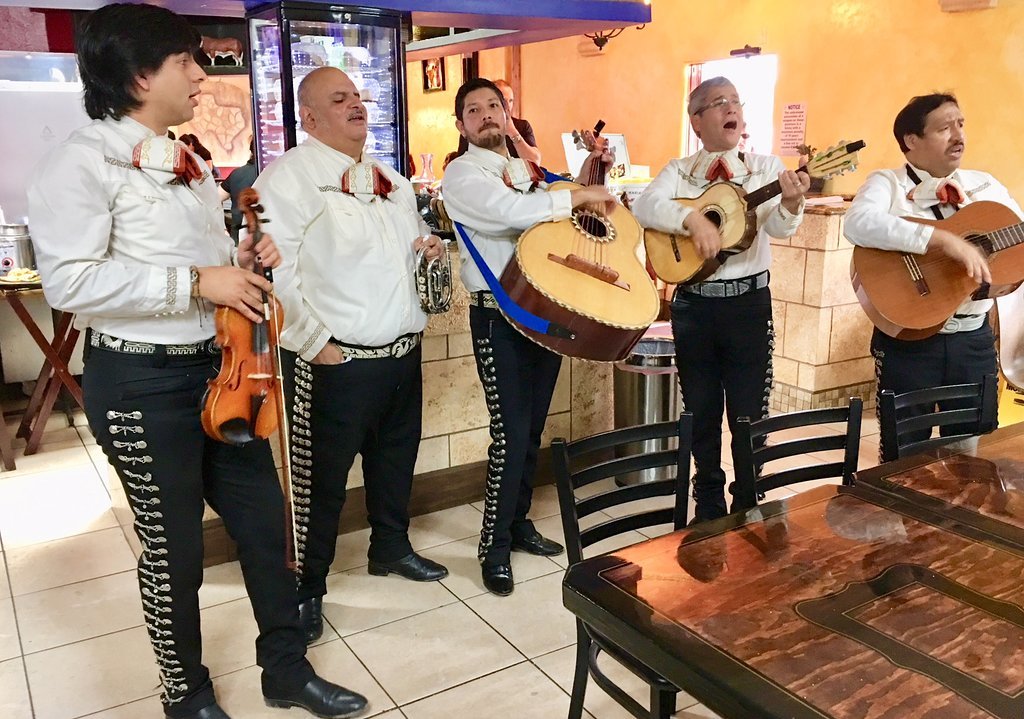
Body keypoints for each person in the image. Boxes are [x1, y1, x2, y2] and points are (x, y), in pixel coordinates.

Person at [26, 6, 368, 719]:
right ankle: (186, 692)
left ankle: (285, 669)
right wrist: (194, 282)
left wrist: (237, 261)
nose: (200, 74)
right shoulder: (79, 163)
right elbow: (70, 283)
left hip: (217, 372)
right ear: (138, 74)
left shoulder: (188, 160)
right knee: (173, 547)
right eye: (186, 60)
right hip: (139, 380)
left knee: (265, 525)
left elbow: (199, 264)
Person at [252, 66, 449, 643]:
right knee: (321, 481)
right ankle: (308, 588)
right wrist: (315, 343)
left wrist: (427, 249)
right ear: (309, 117)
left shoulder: (392, 180)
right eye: (340, 99)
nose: (356, 106)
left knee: (395, 458)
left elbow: (402, 254)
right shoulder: (287, 179)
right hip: (334, 360)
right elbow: (275, 268)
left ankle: (390, 547)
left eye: (359, 97)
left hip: (400, 351)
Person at [441, 78, 616, 596]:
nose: (486, 115)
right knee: (511, 434)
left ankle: (518, 525)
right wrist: (577, 196)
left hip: (542, 315)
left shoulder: (527, 170)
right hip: (498, 317)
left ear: (507, 113)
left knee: (533, 428)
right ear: (462, 126)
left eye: (493, 105)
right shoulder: (462, 174)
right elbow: (511, 213)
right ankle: (492, 546)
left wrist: (584, 181)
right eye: (474, 110)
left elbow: (555, 210)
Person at [632, 76, 809, 523]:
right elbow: (645, 206)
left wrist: (790, 204)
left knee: (750, 411)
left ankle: (748, 498)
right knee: (701, 407)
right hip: (694, 304)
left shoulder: (765, 167)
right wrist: (691, 217)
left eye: (735, 100)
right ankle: (707, 498)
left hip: (748, 305)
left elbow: (779, 228)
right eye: (717, 102)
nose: (730, 108)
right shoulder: (681, 170)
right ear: (696, 119)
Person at [844, 93, 1023, 454]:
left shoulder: (984, 185)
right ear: (912, 140)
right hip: (909, 342)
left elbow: (1017, 249)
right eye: (944, 128)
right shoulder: (888, 184)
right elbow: (858, 223)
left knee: (970, 455)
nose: (958, 136)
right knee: (904, 455)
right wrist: (940, 240)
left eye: (961, 124)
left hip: (973, 341)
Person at [455, 78, 540, 164]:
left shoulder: (522, 125)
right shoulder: (473, 129)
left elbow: (535, 162)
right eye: (503, 100)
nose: (507, 105)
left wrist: (513, 132)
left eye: (510, 101)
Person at [220, 138, 258, 241]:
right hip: (267, 243)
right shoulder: (273, 173)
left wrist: (222, 228)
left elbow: (215, 198)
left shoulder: (236, 174)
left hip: (238, 239)